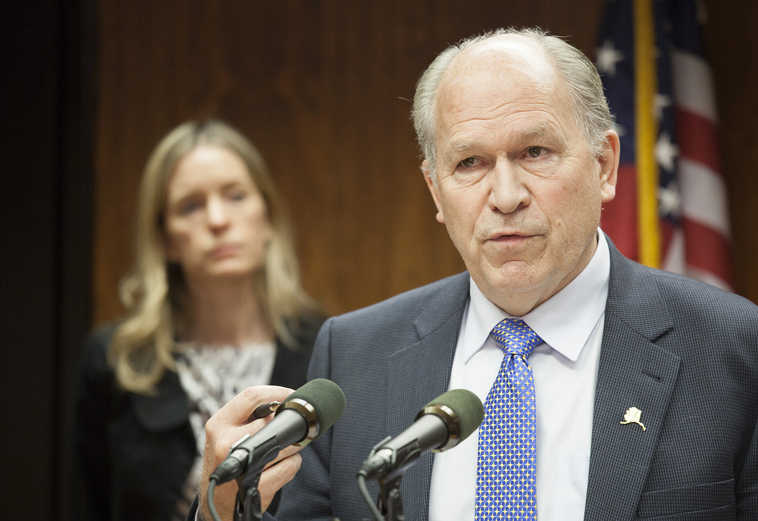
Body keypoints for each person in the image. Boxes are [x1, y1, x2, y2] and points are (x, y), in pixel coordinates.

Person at [196, 28, 758, 521]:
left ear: (604, 166)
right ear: (435, 189)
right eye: (470, 163)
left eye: (535, 152)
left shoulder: (731, 348)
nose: (506, 197)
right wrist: (222, 512)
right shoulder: (354, 356)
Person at [74, 119, 323, 521]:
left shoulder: (328, 346)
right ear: (166, 239)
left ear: (268, 218)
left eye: (236, 196)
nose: (217, 219)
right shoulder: (116, 360)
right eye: (190, 206)